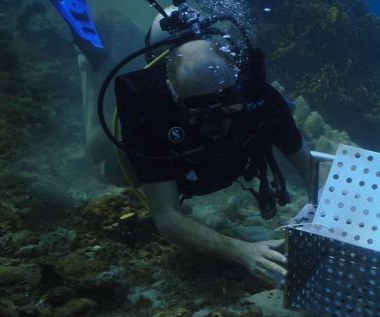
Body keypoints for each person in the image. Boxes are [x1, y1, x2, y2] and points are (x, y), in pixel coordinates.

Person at [62, 2, 311, 286]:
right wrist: (241, 251)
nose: (218, 123)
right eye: (204, 113)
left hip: (216, 161)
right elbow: (167, 218)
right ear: (172, 89)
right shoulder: (151, 110)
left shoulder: (259, 96)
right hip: (173, 162)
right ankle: (87, 67)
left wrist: (325, 217)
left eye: (226, 108)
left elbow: (310, 167)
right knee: (98, 164)